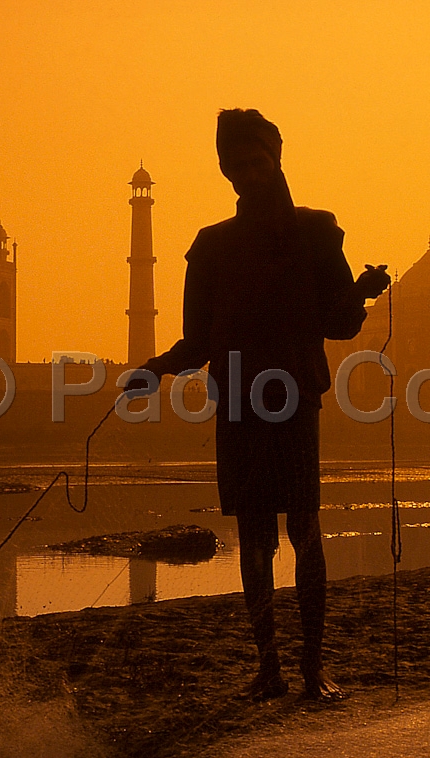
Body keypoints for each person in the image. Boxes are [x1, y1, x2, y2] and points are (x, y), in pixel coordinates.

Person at [128, 108, 390, 700]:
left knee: (304, 529)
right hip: (240, 401)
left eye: (256, 162)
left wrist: (360, 293)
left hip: (294, 399)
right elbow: (198, 341)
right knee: (254, 538)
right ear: (225, 170)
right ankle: (268, 667)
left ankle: (312, 668)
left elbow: (338, 322)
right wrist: (156, 370)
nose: (247, 174)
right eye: (236, 166)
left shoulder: (317, 233)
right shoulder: (213, 248)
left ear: (275, 159)